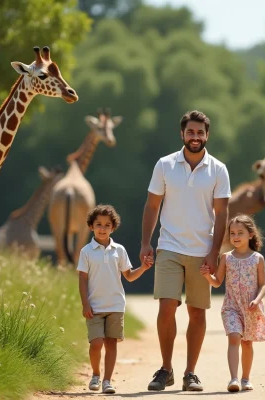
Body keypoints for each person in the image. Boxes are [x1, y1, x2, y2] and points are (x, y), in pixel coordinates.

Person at [140, 110, 231, 392]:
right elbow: (152, 205)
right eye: (190, 132)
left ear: (207, 135)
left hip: (202, 251)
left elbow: (222, 213)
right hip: (169, 246)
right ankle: (165, 369)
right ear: (182, 134)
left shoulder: (218, 169)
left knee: (197, 312)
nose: (195, 137)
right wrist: (146, 242)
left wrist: (214, 252)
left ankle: (190, 372)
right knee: (166, 307)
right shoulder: (165, 165)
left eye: (200, 133)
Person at [77, 204, 153, 394]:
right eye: (98, 224)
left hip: (116, 306)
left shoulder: (119, 250)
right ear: (91, 226)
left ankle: (107, 381)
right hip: (94, 306)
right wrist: (85, 303)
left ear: (113, 227)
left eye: (107, 225)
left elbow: (128, 275)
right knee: (96, 344)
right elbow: (82, 279)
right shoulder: (86, 252)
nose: (102, 228)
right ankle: (95, 374)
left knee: (111, 344)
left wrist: (143, 268)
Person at [200, 213, 265, 392]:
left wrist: (257, 299)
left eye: (240, 233)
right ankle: (234, 379)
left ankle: (246, 379)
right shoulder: (226, 257)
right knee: (234, 337)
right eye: (232, 233)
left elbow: (263, 285)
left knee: (247, 343)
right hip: (231, 307)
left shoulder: (257, 259)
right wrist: (208, 275)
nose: (235, 237)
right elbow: (217, 282)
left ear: (250, 235)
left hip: (251, 308)